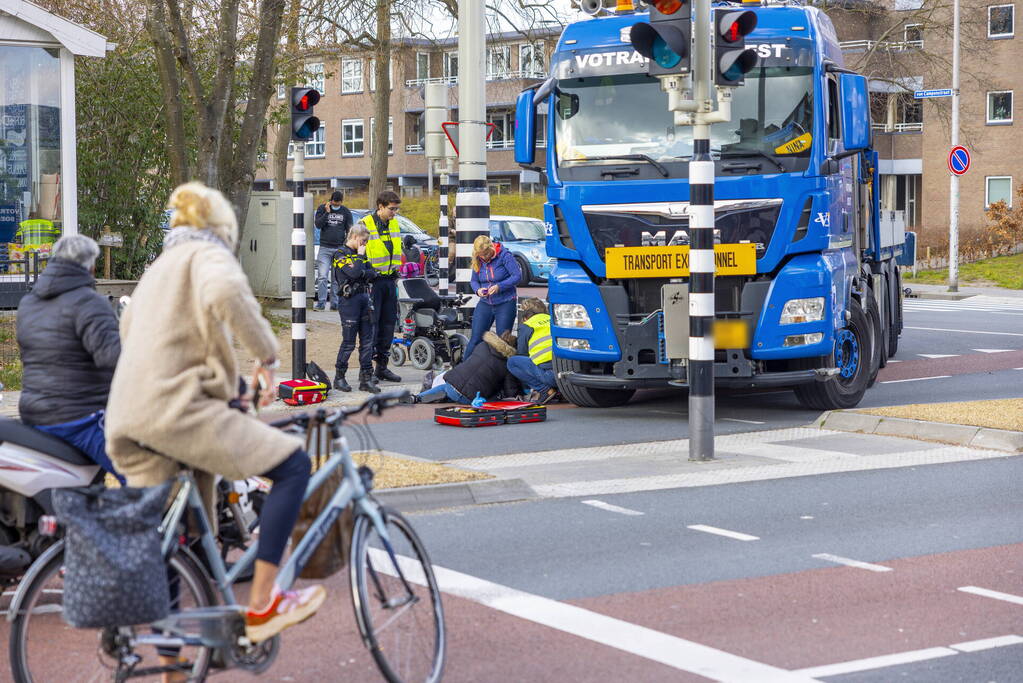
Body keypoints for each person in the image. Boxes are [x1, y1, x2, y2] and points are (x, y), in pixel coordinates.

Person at [105, 182, 324, 645]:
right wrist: (267, 357)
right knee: (293, 465)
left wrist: (225, 386)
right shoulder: (208, 256)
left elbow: (136, 333)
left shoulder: (157, 269)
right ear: (222, 227)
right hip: (178, 414)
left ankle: (173, 665)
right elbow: (227, 291)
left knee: (179, 539)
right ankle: (265, 603)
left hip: (129, 418)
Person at [16, 234, 124, 483]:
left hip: (34, 413)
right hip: (81, 417)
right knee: (150, 471)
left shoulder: (28, 303)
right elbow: (115, 359)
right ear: (91, 265)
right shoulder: (89, 302)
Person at [403, 331, 518, 404]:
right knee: (495, 396)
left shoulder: (482, 346)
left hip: (452, 383)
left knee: (445, 388)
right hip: (470, 397)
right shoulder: (507, 364)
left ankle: (417, 398)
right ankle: (446, 398)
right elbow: (510, 392)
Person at [360, 190, 404, 384]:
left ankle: (382, 368)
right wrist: (366, 273)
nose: (394, 213)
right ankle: (366, 371)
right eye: (391, 209)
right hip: (372, 282)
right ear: (380, 206)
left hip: (389, 280)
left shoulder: (393, 223)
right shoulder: (365, 224)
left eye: (396, 209)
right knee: (372, 326)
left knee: (388, 324)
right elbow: (356, 251)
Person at [331, 223, 380, 394]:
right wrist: (360, 261)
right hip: (349, 301)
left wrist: (361, 270)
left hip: (364, 299)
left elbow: (372, 273)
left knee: (367, 342)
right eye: (363, 240)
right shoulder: (340, 254)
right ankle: (339, 377)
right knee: (349, 342)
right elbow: (353, 274)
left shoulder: (362, 255)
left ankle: (366, 378)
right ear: (354, 237)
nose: (365, 244)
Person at [464, 235, 521, 358]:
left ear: (491, 248)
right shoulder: (477, 258)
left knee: (503, 341)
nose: (484, 258)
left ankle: (504, 372)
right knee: (475, 338)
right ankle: (462, 368)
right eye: (481, 255)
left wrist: (499, 286)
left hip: (505, 302)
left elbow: (517, 276)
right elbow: (474, 280)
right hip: (485, 303)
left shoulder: (505, 256)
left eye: (486, 254)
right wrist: (478, 290)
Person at [507, 297, 557, 404]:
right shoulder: (553, 319)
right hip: (566, 372)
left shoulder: (527, 325)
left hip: (550, 375)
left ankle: (545, 390)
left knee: (513, 362)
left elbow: (523, 353)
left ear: (526, 316)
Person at [313, 190, 353, 311]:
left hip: (339, 249)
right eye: (333, 202)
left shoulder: (345, 211)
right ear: (331, 200)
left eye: (338, 203)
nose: (335, 204)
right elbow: (318, 225)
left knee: (336, 278)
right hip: (325, 248)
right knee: (322, 277)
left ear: (341, 202)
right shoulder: (322, 208)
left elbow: (350, 229)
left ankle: (335, 303)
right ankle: (321, 302)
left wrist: (346, 245)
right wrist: (327, 213)